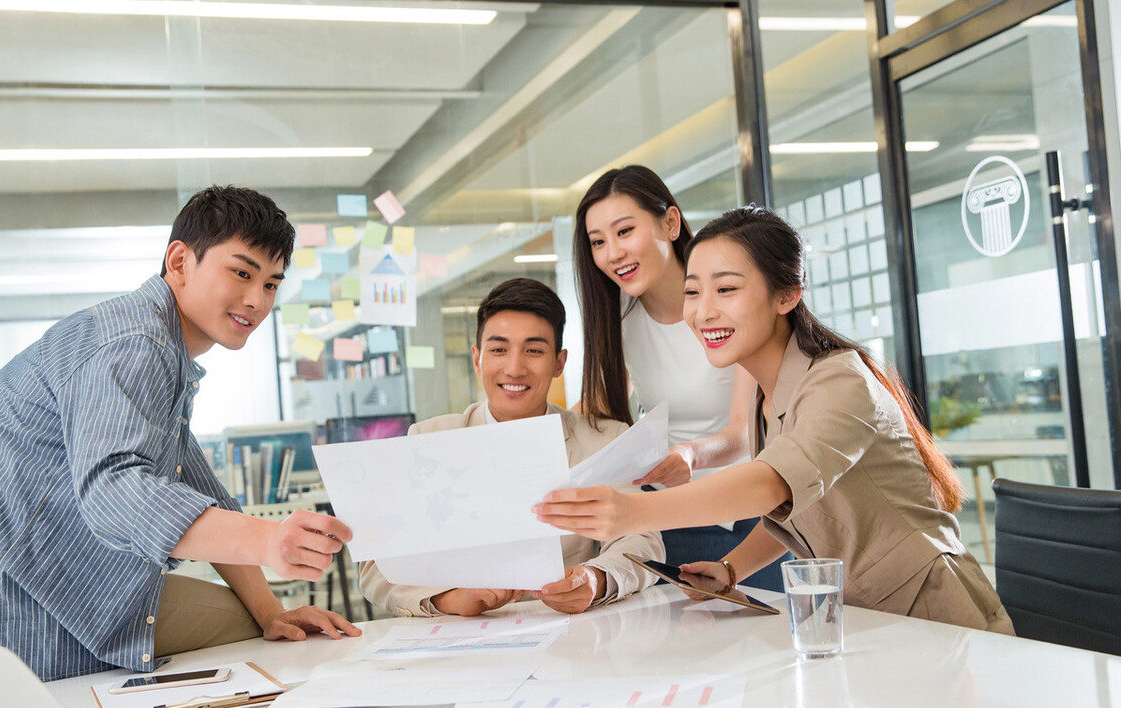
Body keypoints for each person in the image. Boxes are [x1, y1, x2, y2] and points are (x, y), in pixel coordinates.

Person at [0, 185, 361, 681]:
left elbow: (196, 489)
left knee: (257, 626)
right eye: (242, 273)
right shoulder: (136, 341)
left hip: (39, 571)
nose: (256, 300)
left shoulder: (160, 348)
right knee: (244, 636)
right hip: (7, 589)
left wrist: (270, 610)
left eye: (272, 285)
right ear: (179, 262)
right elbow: (114, 491)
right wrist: (269, 541)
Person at [538, 206, 1013, 633]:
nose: (704, 311)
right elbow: (796, 512)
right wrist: (730, 569)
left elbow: (771, 486)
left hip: (931, 611)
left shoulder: (839, 380)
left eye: (726, 289)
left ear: (787, 295)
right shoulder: (764, 397)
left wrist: (633, 511)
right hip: (860, 616)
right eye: (693, 292)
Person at [359, 278, 663, 617]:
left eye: (533, 350)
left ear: (559, 363)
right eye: (499, 349)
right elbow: (377, 565)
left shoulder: (604, 440)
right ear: (477, 358)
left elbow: (644, 541)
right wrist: (449, 598)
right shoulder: (428, 440)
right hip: (462, 640)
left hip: (574, 636)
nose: (515, 368)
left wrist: (596, 579)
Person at [574, 164, 788, 588]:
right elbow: (598, 410)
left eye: (624, 231)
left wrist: (690, 455)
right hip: (663, 516)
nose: (612, 253)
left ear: (670, 223)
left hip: (745, 515)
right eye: (598, 242)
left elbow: (748, 430)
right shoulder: (616, 314)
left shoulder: (730, 300)